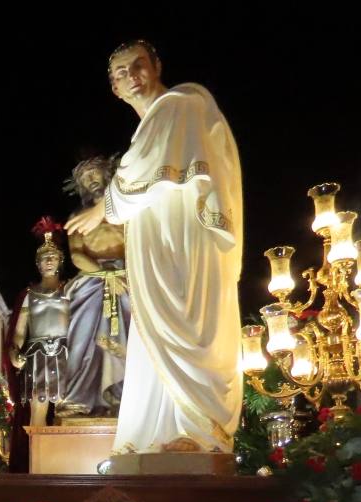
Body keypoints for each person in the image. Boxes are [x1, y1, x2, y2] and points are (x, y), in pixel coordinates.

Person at [67, 39, 242, 457]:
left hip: (184, 238)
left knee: (184, 318)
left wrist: (103, 207)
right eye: (121, 73)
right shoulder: (149, 130)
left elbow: (141, 168)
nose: (132, 76)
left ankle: (198, 430)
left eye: (138, 65)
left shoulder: (183, 103)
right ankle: (154, 433)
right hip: (151, 246)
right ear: (114, 88)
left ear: (157, 66)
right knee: (151, 329)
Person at [61, 155, 131, 417]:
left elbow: (138, 242)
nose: (91, 181)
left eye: (94, 174)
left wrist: (121, 275)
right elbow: (77, 255)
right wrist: (106, 275)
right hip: (90, 280)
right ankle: (78, 396)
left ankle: (125, 395)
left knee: (135, 328)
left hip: (127, 276)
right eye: (85, 178)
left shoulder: (126, 211)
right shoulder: (78, 216)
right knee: (80, 335)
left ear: (107, 175)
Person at [8, 220, 71, 428]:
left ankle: (65, 456)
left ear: (60, 261)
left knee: (67, 407)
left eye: (53, 257)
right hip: (37, 355)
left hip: (66, 353)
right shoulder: (29, 295)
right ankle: (39, 458)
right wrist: (14, 351)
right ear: (38, 264)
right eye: (45, 258)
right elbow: (19, 330)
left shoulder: (69, 291)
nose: (49, 261)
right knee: (38, 406)